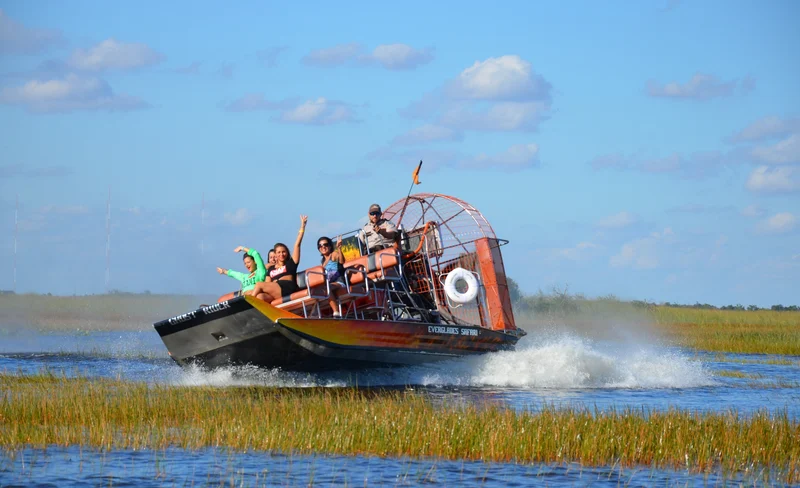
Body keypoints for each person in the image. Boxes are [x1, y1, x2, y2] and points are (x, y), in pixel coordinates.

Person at [247, 215, 308, 302]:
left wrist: (302, 227)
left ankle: (248, 304)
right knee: (260, 297)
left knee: (259, 285)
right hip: (274, 292)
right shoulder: (271, 269)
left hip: (286, 288)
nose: (281, 254)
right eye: (279, 252)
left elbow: (297, 245)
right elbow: (267, 283)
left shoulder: (291, 263)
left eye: (283, 252)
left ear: (287, 253)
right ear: (275, 254)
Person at [317, 235, 347, 317]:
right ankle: (316, 314)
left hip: (339, 282)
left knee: (326, 287)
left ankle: (336, 312)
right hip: (329, 284)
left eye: (325, 245)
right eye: (320, 246)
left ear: (330, 246)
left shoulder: (333, 254)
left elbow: (342, 261)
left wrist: (339, 249)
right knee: (318, 289)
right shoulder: (323, 262)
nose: (323, 247)